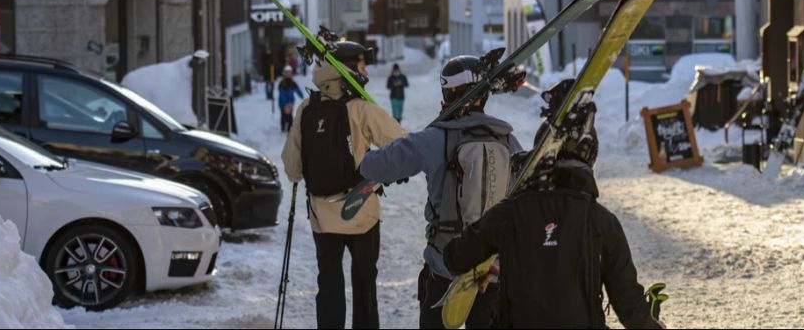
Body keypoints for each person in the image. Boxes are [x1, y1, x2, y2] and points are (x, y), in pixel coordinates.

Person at [442, 97, 663, 329]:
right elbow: (630, 308)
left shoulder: (508, 213)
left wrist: (488, 265)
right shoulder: (601, 221)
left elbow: (454, 258)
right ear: (589, 159)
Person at [360, 55, 523, 329]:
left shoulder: (435, 139)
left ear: (446, 94)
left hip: (445, 265)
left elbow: (376, 166)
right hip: (492, 270)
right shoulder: (508, 141)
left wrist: (361, 156)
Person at [281, 41, 405, 330]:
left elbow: (292, 167)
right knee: (364, 285)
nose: (365, 69)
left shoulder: (306, 109)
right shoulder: (361, 109)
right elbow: (401, 144)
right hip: (360, 212)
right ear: (348, 69)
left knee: (329, 284)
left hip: (322, 216)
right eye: (361, 63)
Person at [277, 66, 304, 133]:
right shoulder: (282, 84)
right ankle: (284, 128)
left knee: (288, 117)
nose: (288, 75)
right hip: (284, 104)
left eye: (289, 73)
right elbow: (282, 94)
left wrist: (301, 95)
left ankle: (289, 128)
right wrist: (285, 104)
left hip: (289, 104)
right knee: (284, 116)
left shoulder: (292, 83)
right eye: (287, 73)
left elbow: (297, 90)